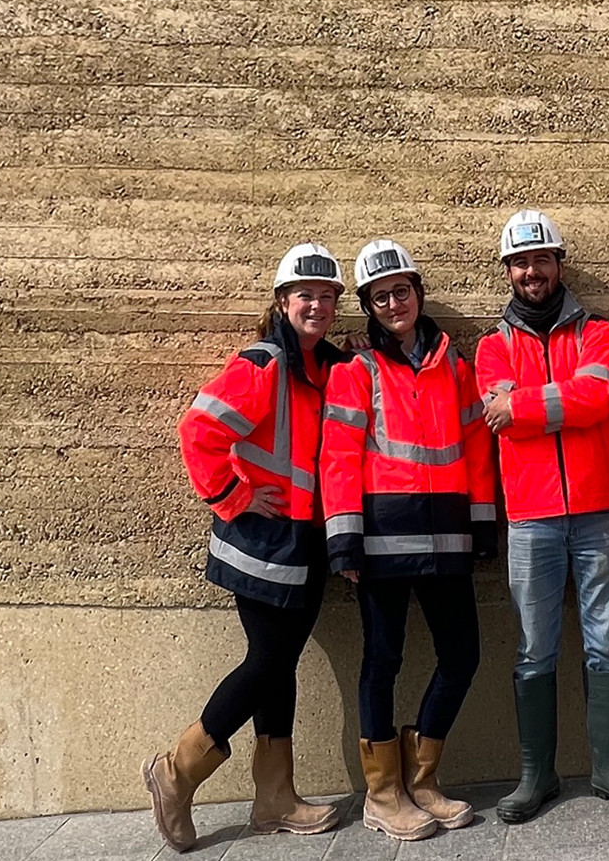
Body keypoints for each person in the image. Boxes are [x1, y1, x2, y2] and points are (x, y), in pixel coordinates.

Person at [145, 242, 353, 851]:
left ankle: (275, 798)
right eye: (305, 296)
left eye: (327, 297)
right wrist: (234, 497)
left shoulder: (324, 366)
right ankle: (179, 769)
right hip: (261, 544)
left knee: (278, 665)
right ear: (283, 302)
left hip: (304, 542)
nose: (317, 306)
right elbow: (198, 430)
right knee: (267, 663)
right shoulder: (264, 363)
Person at [474, 209, 609, 822]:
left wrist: (523, 405)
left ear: (559, 264)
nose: (532, 271)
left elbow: (597, 397)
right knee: (534, 647)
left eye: (541, 260)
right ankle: (536, 774)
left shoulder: (597, 331)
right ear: (508, 271)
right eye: (521, 262)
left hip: (599, 509)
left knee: (605, 641)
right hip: (530, 516)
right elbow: (497, 415)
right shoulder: (492, 346)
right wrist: (555, 403)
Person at [321, 239, 497, 840]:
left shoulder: (455, 366)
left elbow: (476, 449)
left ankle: (422, 779)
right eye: (380, 297)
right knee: (382, 661)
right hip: (380, 546)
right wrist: (343, 541)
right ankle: (382, 794)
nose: (394, 303)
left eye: (402, 291)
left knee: (462, 656)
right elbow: (338, 458)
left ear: (418, 293)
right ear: (369, 307)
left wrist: (481, 523)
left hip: (446, 538)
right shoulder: (357, 369)